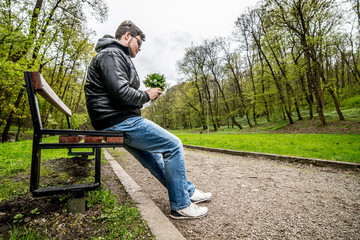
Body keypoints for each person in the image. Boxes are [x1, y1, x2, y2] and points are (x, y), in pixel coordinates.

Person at [85, 20, 211, 219]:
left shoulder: (115, 54)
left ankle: (186, 192)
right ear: (127, 36)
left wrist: (143, 98)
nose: (140, 48)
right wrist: (146, 95)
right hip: (117, 120)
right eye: (139, 43)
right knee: (173, 145)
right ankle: (181, 205)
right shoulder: (111, 54)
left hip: (114, 120)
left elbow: (120, 93)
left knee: (154, 160)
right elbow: (120, 92)